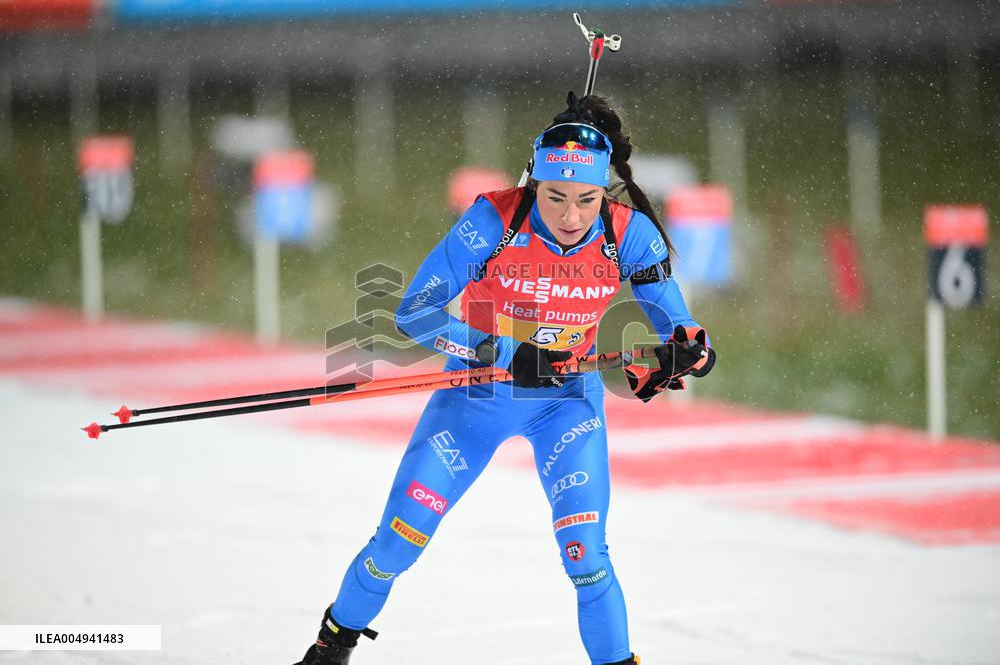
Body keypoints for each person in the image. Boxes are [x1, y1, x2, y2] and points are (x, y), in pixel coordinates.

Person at [293, 92, 716, 665]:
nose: (570, 217)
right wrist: (502, 349)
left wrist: (688, 350)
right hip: (477, 395)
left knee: (586, 558)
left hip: (566, 404)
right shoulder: (494, 219)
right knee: (398, 541)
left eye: (587, 200)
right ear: (533, 184)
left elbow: (680, 323)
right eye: (555, 197)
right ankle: (330, 647)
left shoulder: (628, 234)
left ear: (605, 190)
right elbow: (414, 313)